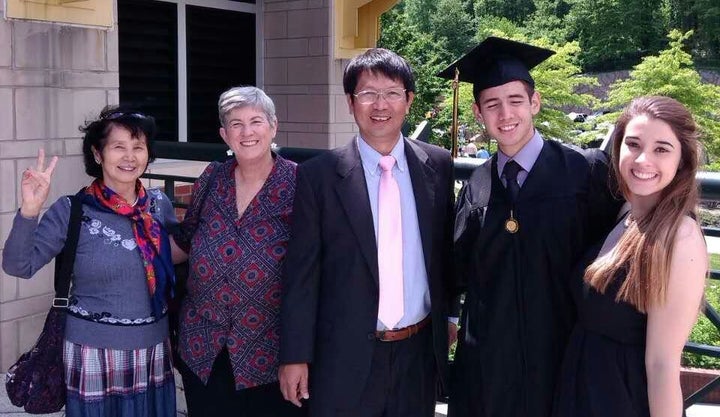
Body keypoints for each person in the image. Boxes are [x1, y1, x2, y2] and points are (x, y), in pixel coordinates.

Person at [443, 37, 623, 417]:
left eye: (515, 100)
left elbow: (624, 245)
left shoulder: (585, 172)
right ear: (478, 113)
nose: (505, 113)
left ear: (535, 103)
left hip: (562, 356)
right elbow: (456, 270)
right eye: (492, 104)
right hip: (491, 365)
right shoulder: (476, 187)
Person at [278, 48, 457, 417]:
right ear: (350, 102)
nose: (380, 104)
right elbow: (302, 273)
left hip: (417, 352)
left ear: (409, 100)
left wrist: (451, 317)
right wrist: (294, 355)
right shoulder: (318, 176)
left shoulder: (437, 165)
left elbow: (446, 252)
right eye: (368, 93)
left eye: (392, 93)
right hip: (343, 355)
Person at [2, 107, 177, 416]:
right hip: (92, 355)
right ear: (98, 154)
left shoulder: (159, 206)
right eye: (118, 146)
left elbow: (178, 255)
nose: (130, 156)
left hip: (153, 351)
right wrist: (30, 210)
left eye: (138, 147)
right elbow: (18, 265)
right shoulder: (72, 210)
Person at [553, 96, 707, 417]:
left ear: (682, 160)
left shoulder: (680, 237)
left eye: (662, 149)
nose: (643, 159)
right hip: (583, 392)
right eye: (633, 144)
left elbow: (662, 365)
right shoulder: (627, 212)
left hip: (621, 402)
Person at [171, 86, 303, 417]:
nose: (247, 132)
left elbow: (317, 266)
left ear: (273, 126)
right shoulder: (212, 177)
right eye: (236, 124)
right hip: (204, 347)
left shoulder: (300, 183)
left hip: (271, 353)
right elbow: (185, 242)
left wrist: (303, 353)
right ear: (224, 135)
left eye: (256, 121)